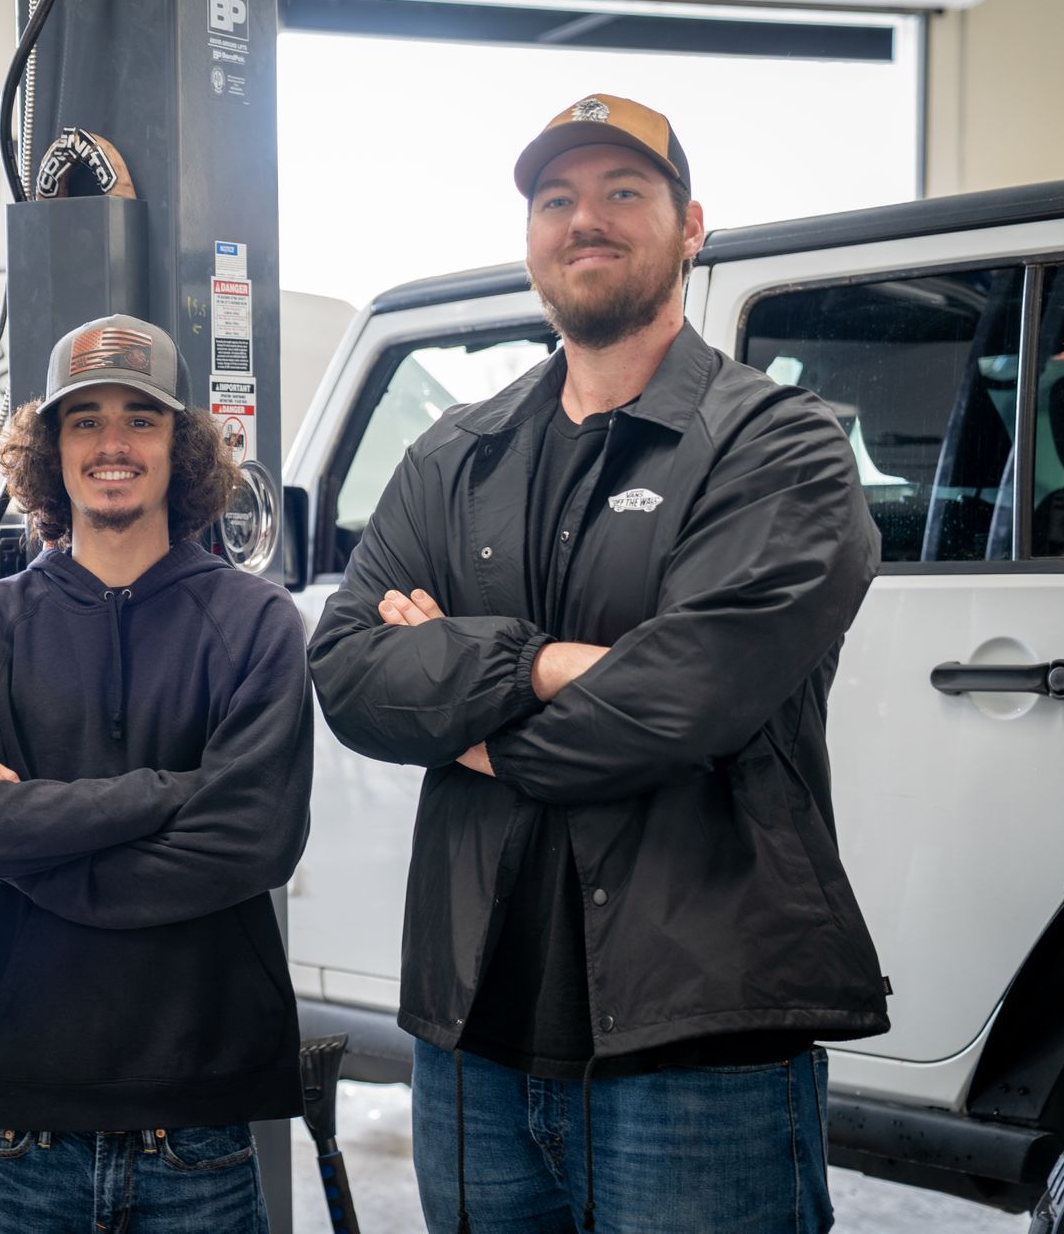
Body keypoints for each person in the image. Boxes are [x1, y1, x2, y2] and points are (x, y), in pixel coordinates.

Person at [308, 95, 890, 1234]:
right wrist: (545, 663)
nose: (588, 220)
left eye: (625, 192)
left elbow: (680, 702)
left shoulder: (778, 444)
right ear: (531, 238)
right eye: (557, 199)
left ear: (692, 228)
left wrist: (460, 705)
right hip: (471, 1041)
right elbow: (345, 671)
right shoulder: (455, 453)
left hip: (699, 1051)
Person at [0, 314, 312, 1233]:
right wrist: (162, 796)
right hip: (24, 1129)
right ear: (50, 449)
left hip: (197, 1125)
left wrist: (26, 839)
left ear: (184, 445)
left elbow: (253, 841)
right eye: (84, 421)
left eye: (141, 418)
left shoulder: (256, 623)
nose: (112, 443)